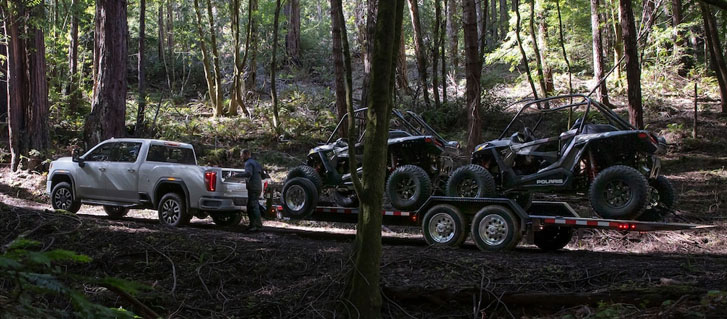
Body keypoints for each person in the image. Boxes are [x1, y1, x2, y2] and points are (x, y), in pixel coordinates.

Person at [240, 149, 264, 232]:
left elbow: (248, 173)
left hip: (253, 188)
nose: (241, 157)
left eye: (242, 155)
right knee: (251, 206)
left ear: (246, 154)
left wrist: (237, 175)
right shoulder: (256, 163)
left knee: (253, 206)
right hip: (258, 187)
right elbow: (264, 175)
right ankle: (253, 224)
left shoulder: (248, 163)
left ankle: (256, 226)